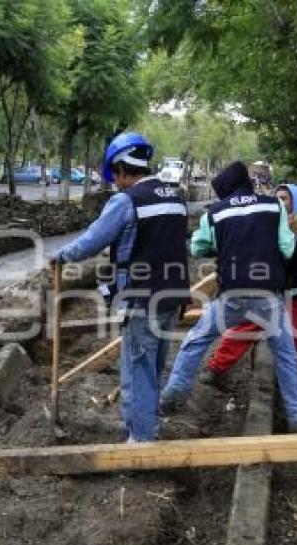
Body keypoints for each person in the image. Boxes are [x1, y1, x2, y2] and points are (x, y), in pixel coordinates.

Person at [52, 132, 190, 442]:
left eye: (115, 175)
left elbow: (92, 241)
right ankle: (140, 425)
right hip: (174, 295)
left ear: (121, 169)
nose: (115, 182)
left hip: (143, 297)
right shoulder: (176, 197)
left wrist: (60, 256)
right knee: (152, 368)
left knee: (138, 371)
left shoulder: (126, 201)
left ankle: (140, 441)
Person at [160, 162, 297, 432]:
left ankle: (173, 395)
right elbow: (288, 249)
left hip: (231, 295)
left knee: (197, 339)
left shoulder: (215, 213)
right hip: (268, 296)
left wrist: (224, 245)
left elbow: (197, 247)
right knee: (287, 357)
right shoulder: (273, 206)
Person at [203, 183, 297, 409]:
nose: (280, 202)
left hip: (292, 296)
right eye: (277, 198)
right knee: (244, 329)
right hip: (266, 295)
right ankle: (216, 368)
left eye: (285, 199)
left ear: (295, 202)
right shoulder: (267, 221)